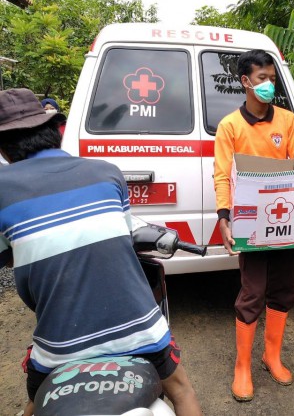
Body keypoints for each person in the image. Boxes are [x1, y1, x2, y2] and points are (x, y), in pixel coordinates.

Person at [0, 88, 202, 416]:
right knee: (182, 391)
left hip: (60, 345)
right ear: (55, 133)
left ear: (5, 148)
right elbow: (125, 235)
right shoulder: (107, 172)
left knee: (34, 408)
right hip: (141, 331)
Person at [213, 49, 294, 402]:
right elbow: (222, 176)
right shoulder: (230, 126)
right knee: (252, 293)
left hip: (284, 220)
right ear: (245, 81)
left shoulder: (288, 122)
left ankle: (271, 355)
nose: (269, 85)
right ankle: (242, 365)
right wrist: (224, 218)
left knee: (284, 290)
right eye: (262, 79)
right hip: (250, 225)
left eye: (272, 79)